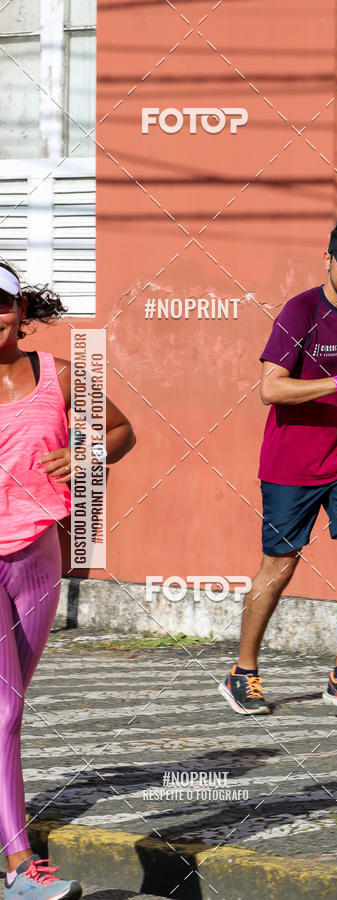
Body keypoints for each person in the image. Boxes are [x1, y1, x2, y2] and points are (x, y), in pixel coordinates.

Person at [219, 218, 337, 716]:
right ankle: (242, 673)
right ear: (329, 260)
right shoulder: (299, 311)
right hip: (289, 464)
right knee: (279, 567)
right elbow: (270, 389)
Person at [0, 261, 136, 899]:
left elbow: (121, 431)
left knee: (10, 709)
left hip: (38, 554)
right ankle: (21, 867)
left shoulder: (56, 374)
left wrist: (86, 454)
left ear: (20, 311)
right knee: (1, 708)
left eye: (1, 305)